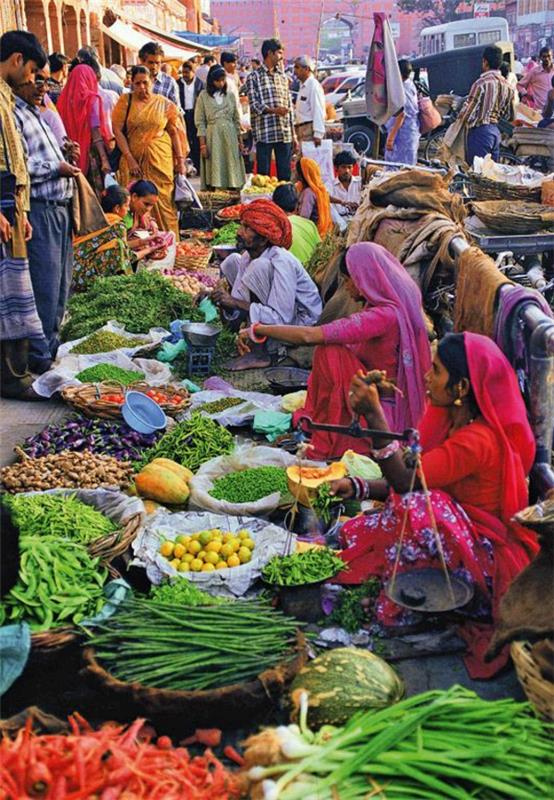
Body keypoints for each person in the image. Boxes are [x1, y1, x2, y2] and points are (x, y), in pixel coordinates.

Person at [330, 332, 538, 679]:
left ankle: (417, 606)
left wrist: (375, 415)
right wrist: (357, 485)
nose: (427, 377)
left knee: (424, 505)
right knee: (396, 511)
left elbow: (407, 484)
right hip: (461, 537)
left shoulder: (478, 439)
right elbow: (411, 478)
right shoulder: (451, 424)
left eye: (437, 371)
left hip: (485, 560)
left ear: (462, 388)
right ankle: (414, 585)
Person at [239, 242, 430, 458]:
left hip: (380, 416)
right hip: (377, 400)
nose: (347, 287)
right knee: (332, 351)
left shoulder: (384, 316)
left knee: (330, 353)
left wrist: (258, 328)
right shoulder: (387, 310)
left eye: (349, 280)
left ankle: (329, 429)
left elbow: (309, 336)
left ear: (365, 278)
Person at [13, 65, 79, 373]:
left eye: (45, 80)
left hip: (60, 207)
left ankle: (49, 351)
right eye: (36, 78)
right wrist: (56, 168)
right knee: (45, 286)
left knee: (61, 286)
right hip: (41, 208)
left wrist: (65, 156)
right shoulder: (14, 114)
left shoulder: (36, 112)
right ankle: (39, 358)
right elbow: (22, 165)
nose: (42, 85)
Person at [214, 198, 322, 370]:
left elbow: (280, 317)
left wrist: (234, 302)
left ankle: (260, 353)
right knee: (231, 261)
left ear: (264, 240)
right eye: (241, 225)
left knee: (258, 268)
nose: (239, 232)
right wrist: (221, 300)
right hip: (276, 313)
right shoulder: (248, 256)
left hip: (299, 323)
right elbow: (239, 299)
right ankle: (247, 337)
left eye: (247, 228)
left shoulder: (282, 260)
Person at [0, 30, 47, 399]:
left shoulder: (6, 96)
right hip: (2, 208)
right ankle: (11, 378)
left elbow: (15, 160)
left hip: (13, 208)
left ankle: (16, 372)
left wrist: (22, 209)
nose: (32, 79)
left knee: (15, 291)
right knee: (7, 295)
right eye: (31, 70)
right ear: (17, 60)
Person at [112, 66, 188, 237]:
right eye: (137, 84)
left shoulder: (164, 103)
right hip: (133, 163)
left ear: (152, 82)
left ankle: (170, 245)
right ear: (131, 84)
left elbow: (174, 131)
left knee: (164, 203)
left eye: (145, 83)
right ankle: (140, 248)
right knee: (134, 205)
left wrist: (180, 161)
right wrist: (130, 158)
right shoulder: (125, 101)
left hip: (160, 161)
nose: (142, 88)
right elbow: (117, 131)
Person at [246, 38, 297, 180]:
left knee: (285, 175)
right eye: (279, 53)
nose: (282, 57)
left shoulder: (282, 77)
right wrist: (274, 111)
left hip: (284, 132)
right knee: (264, 176)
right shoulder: (254, 77)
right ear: (270, 53)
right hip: (264, 133)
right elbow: (254, 105)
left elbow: (289, 107)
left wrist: (294, 135)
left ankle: (285, 201)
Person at [57, 64, 112, 193]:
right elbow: (96, 132)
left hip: (70, 156)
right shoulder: (91, 99)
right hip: (90, 155)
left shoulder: (62, 100)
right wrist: (104, 160)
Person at [457, 45, 515, 165]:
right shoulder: (508, 87)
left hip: (480, 133)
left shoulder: (481, 84)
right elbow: (510, 116)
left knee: (476, 174)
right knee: (490, 176)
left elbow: (468, 114)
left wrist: (460, 115)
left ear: (485, 62)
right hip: (495, 133)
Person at [194, 65, 246, 191]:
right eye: (218, 80)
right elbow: (200, 122)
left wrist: (240, 141)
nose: (221, 83)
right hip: (213, 138)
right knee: (216, 167)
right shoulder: (203, 96)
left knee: (232, 168)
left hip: (230, 137)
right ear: (211, 81)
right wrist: (203, 145)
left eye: (223, 80)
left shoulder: (230, 96)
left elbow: (236, 119)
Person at [272, 183, 321, 266]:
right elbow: (320, 251)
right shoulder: (309, 224)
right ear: (297, 205)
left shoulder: (275, 229)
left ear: (274, 206)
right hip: (312, 273)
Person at [385, 59, 420, 166]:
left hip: (402, 135)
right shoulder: (409, 84)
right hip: (410, 132)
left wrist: (391, 138)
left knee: (397, 168)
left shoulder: (402, 90)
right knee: (408, 165)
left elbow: (401, 115)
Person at [293, 55, 326, 147]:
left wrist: (318, 134)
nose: (294, 71)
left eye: (297, 67)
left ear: (306, 69)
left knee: (310, 159)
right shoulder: (303, 85)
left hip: (309, 130)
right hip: (302, 130)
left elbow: (318, 109)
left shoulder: (313, 85)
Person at [296, 156, 333, 237]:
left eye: (297, 172)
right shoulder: (319, 189)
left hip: (311, 233)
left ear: (303, 174)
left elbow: (303, 218)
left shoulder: (308, 193)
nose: (295, 174)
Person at [178, 59, 203, 173]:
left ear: (193, 72)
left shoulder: (200, 84)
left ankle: (198, 166)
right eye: (183, 72)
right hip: (183, 115)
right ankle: (187, 167)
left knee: (197, 141)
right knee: (185, 140)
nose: (185, 75)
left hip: (196, 114)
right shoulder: (178, 84)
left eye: (187, 72)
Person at [138, 41, 180, 108]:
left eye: (157, 63)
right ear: (142, 61)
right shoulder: (135, 81)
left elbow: (176, 110)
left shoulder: (169, 82)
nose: (154, 66)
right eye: (151, 62)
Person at [327, 150, 361, 221]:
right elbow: (324, 197)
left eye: (349, 167)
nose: (347, 171)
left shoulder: (360, 183)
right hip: (338, 225)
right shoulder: (330, 185)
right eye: (343, 167)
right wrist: (342, 202)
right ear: (336, 168)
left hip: (358, 222)